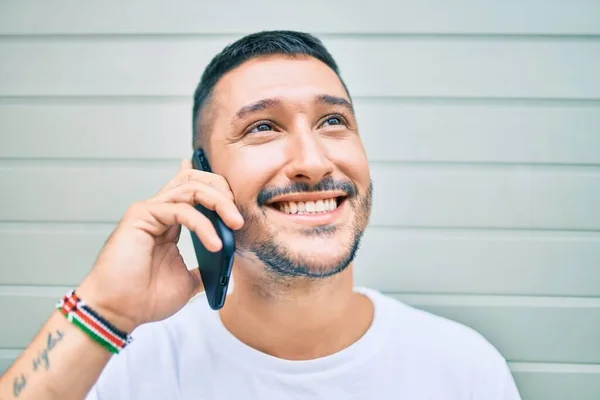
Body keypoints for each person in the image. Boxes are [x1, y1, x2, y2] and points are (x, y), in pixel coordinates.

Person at [0, 30, 521, 400]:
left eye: (333, 121)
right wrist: (106, 309)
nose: (314, 162)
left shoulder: (465, 369)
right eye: (263, 128)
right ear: (202, 177)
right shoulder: (120, 364)